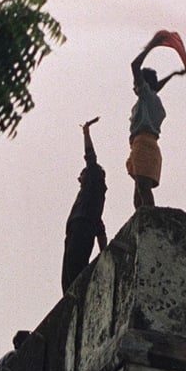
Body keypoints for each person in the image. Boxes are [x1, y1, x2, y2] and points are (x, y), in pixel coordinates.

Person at [127, 32, 186, 209]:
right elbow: (156, 87)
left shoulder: (146, 96)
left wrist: (152, 45)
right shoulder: (153, 100)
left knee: (143, 190)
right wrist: (173, 75)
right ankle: (143, 221)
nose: (134, 86)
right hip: (148, 146)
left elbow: (134, 65)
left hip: (143, 145)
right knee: (139, 193)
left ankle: (151, 221)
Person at [62, 117, 108, 292]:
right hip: (76, 229)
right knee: (68, 277)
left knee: (74, 271)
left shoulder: (94, 181)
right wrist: (105, 251)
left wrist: (86, 133)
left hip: (81, 228)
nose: (79, 178)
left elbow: (90, 156)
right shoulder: (90, 197)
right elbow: (100, 226)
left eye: (81, 174)